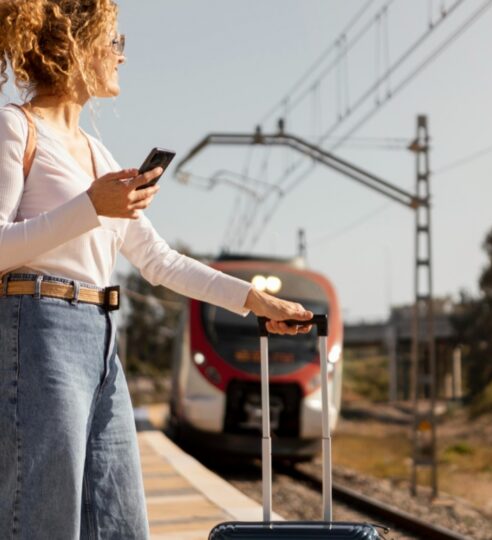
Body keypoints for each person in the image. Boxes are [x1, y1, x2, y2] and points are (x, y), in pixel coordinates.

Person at [0, 1, 313, 538]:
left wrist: (253, 299)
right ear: (76, 46)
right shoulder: (15, 126)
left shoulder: (98, 155)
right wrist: (91, 207)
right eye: (113, 42)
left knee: (122, 525)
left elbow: (158, 261)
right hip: (38, 331)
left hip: (101, 338)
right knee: (44, 524)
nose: (120, 56)